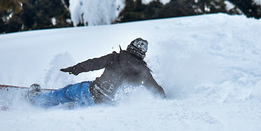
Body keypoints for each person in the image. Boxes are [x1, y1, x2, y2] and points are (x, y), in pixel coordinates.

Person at [27, 38, 166, 108]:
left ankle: (36, 99)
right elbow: (156, 90)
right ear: (143, 54)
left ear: (130, 46)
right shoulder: (143, 72)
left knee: (66, 92)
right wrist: (167, 99)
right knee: (78, 107)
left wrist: (74, 69)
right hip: (103, 102)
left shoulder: (116, 57)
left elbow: (93, 64)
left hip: (90, 91)